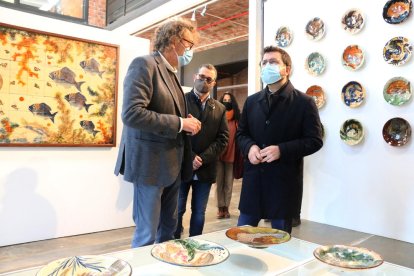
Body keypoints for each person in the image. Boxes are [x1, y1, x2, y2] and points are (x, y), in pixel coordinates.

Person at [114, 18, 202, 248]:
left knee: (168, 231)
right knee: (146, 235)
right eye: (188, 44)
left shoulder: (171, 73)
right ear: (173, 41)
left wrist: (186, 122)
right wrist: (181, 123)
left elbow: (167, 112)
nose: (189, 50)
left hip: (171, 166)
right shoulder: (144, 65)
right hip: (150, 166)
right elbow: (132, 113)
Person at [236, 46, 323, 234]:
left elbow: (315, 140)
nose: (267, 66)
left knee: (281, 243)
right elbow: (241, 134)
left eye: (273, 62)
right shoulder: (252, 102)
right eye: (264, 62)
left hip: (283, 185)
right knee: (242, 237)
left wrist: (281, 150)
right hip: (253, 182)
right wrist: (249, 147)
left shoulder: (304, 102)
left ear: (287, 69)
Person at [174, 64, 229, 238]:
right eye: (201, 76)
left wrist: (201, 159)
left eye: (208, 79)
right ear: (194, 77)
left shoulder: (220, 108)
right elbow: (174, 133)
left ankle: (195, 243)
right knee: (177, 209)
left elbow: (223, 139)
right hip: (182, 166)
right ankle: (173, 242)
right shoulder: (180, 101)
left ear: (213, 83)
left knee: (199, 212)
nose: (203, 81)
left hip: (205, 168)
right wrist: (191, 157)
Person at [216, 92, 241, 219]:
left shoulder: (238, 119)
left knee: (228, 184)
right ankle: (220, 208)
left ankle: (226, 207)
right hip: (218, 155)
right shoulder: (217, 116)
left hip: (232, 155)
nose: (226, 102)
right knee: (219, 183)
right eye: (224, 100)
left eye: (229, 100)